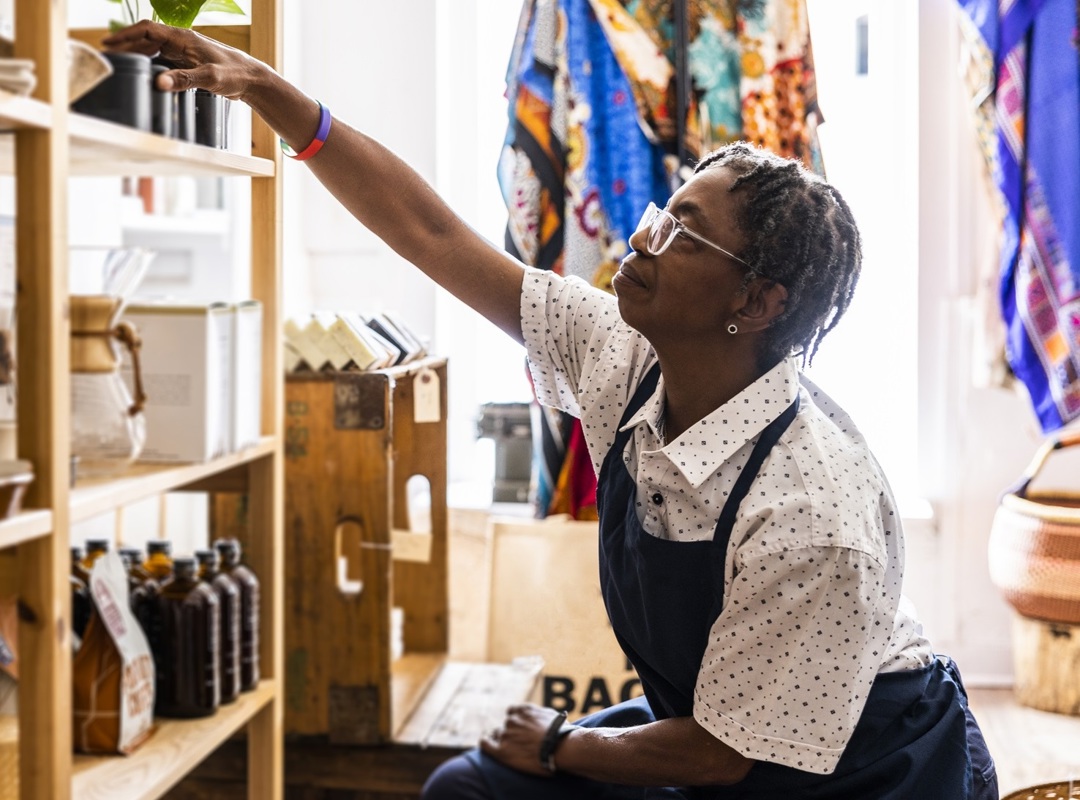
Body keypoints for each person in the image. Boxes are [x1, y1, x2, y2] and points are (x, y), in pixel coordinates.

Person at [105, 21, 999, 800]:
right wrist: (271, 92)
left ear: (759, 303)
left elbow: (729, 756)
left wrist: (566, 743)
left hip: (860, 771)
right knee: (471, 788)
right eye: (662, 211)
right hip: (720, 728)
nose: (641, 238)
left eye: (681, 234)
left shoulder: (815, 510)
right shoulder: (624, 350)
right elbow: (434, 235)